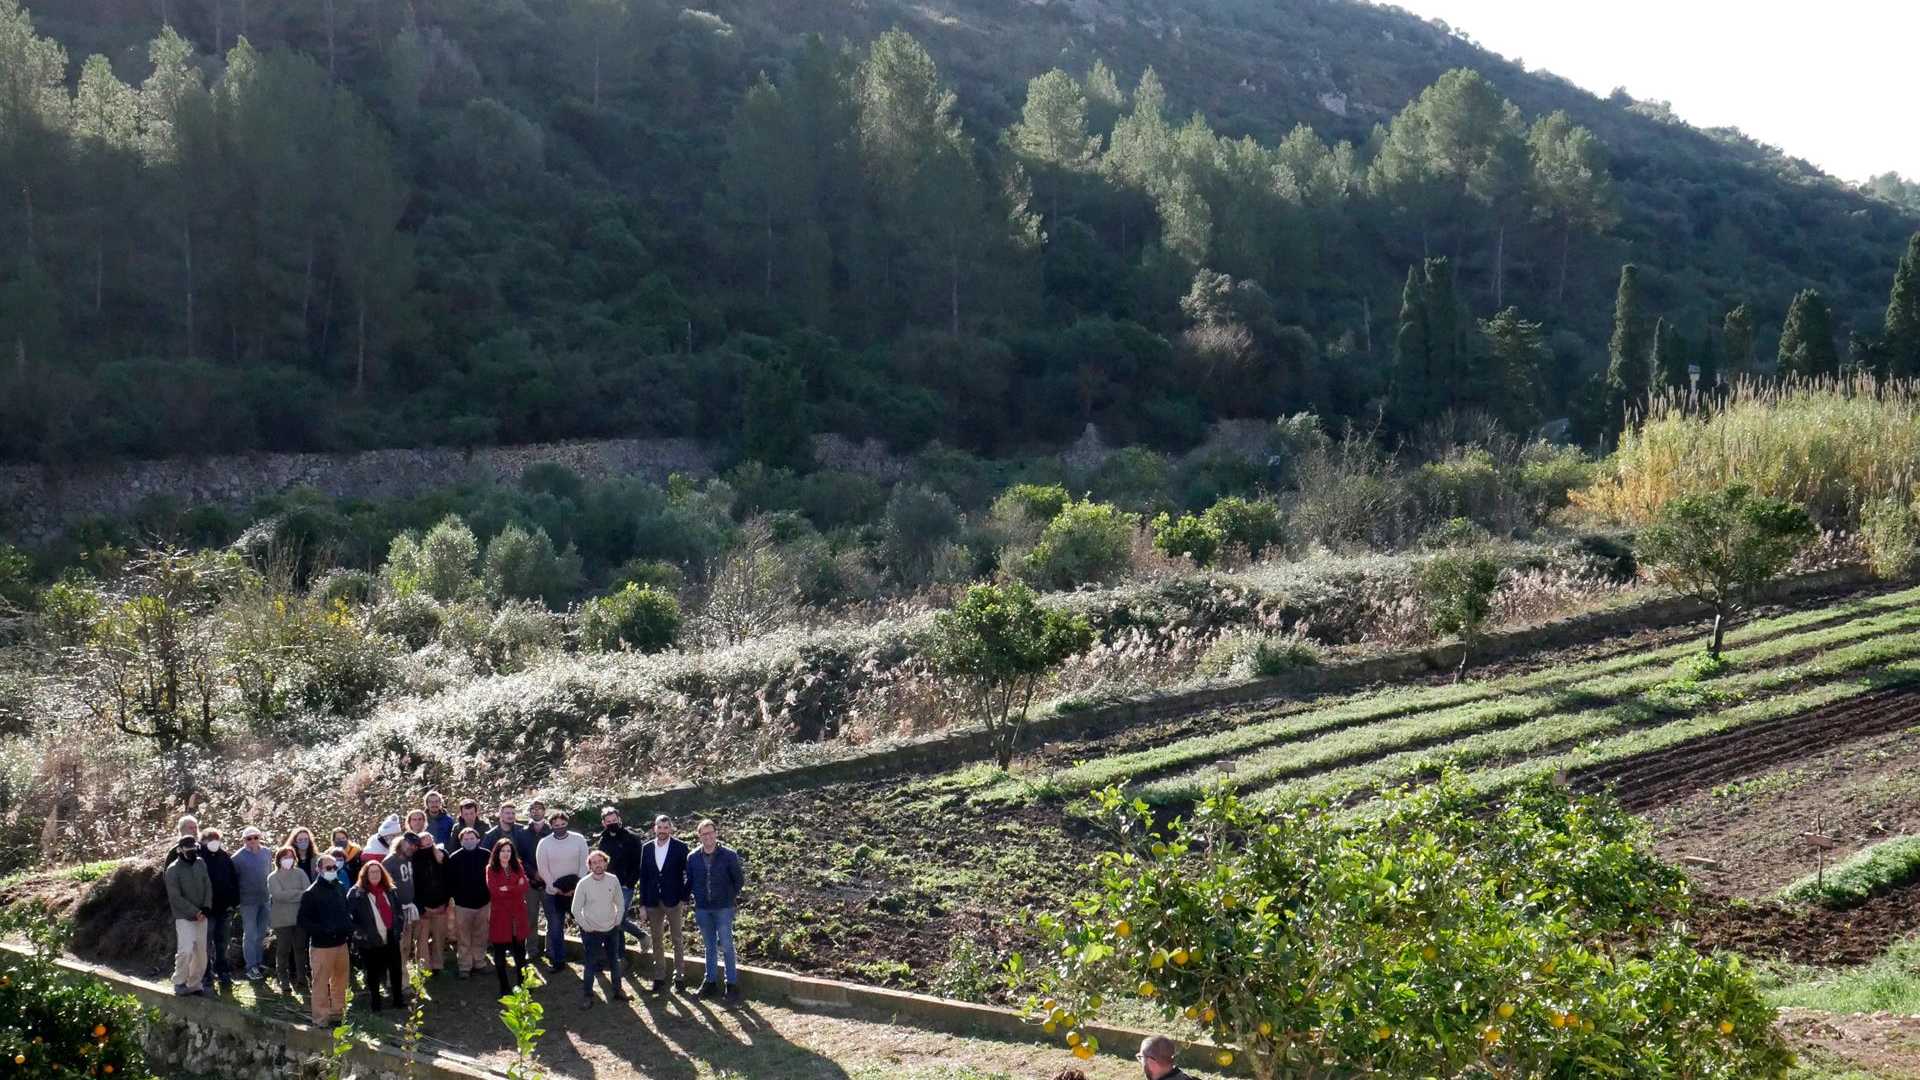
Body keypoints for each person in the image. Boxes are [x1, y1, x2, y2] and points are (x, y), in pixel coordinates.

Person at [684, 818, 744, 1002]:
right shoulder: (693, 857)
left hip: (723, 908)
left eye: (711, 832)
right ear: (699, 837)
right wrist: (688, 898)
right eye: (704, 834)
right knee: (709, 946)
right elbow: (690, 881)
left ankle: (731, 984)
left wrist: (728, 897)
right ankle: (710, 982)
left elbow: (738, 880)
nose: (708, 836)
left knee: (726, 945)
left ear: (716, 834)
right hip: (703, 908)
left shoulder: (729, 855)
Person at [299, 852, 355, 1027]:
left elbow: (346, 911)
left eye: (334, 867)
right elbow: (303, 921)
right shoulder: (311, 893)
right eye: (328, 868)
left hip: (341, 943)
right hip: (322, 946)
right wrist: (324, 930)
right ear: (319, 870)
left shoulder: (339, 887)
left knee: (340, 980)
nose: (332, 870)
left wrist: (349, 928)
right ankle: (321, 1019)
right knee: (321, 984)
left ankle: (338, 1014)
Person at [347, 859, 409, 1012]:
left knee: (395, 969)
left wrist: (398, 928)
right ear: (365, 874)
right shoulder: (356, 893)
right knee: (373, 973)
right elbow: (349, 918)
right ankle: (376, 1002)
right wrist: (361, 935)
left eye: (378, 871)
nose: (375, 874)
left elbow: (398, 912)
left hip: (391, 936)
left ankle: (398, 999)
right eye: (371, 872)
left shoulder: (390, 890)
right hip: (370, 940)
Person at [638, 813, 690, 994]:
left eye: (666, 828)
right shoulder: (646, 848)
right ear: (654, 828)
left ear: (671, 829)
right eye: (659, 828)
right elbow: (643, 877)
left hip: (673, 900)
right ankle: (659, 976)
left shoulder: (681, 847)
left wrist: (684, 897)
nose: (662, 831)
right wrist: (642, 904)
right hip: (653, 901)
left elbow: (688, 874)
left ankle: (680, 977)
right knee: (657, 939)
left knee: (677, 939)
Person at [483, 802, 540, 952]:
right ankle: (501, 946)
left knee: (523, 915)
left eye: (513, 813)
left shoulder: (521, 831)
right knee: (501, 915)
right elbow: (486, 857)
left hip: (520, 877)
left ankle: (524, 947)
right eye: (507, 813)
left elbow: (527, 853)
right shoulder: (491, 835)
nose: (511, 816)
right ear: (500, 815)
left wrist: (528, 874)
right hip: (499, 879)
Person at [573, 850, 627, 1008]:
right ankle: (587, 995)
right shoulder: (583, 884)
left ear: (605, 862)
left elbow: (620, 902)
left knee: (614, 961)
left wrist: (618, 920)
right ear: (589, 866)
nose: (598, 865)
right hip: (592, 931)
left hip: (611, 929)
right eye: (594, 862)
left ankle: (618, 990)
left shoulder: (613, 880)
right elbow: (576, 909)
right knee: (590, 963)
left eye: (600, 861)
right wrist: (586, 926)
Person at [164, 836, 213, 996]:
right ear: (180, 850)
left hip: (202, 915)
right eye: (188, 849)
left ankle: (194, 983)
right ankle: (179, 982)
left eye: (193, 849)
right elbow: (175, 897)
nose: (191, 852)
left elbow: (208, 885)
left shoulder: (201, 863)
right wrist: (195, 911)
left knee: (201, 953)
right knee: (185, 950)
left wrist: (206, 907)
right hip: (184, 916)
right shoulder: (173, 870)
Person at [485, 838, 531, 997]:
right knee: (499, 955)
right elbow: (495, 892)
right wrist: (515, 887)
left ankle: (522, 984)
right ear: (497, 853)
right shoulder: (491, 869)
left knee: (520, 954)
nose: (506, 854)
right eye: (503, 851)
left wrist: (508, 888)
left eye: (508, 851)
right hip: (501, 917)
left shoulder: (517, 866)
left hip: (517, 916)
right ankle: (504, 987)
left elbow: (524, 886)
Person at [594, 806, 645, 949]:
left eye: (614, 820)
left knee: (618, 919)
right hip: (607, 886)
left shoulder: (632, 838)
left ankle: (640, 935)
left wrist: (629, 883)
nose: (612, 823)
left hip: (625, 886)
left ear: (619, 819)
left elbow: (637, 863)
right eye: (608, 821)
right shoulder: (603, 840)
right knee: (613, 921)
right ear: (604, 823)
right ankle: (619, 956)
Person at [446, 826, 493, 979]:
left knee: (481, 935)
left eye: (472, 838)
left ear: (478, 840)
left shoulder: (486, 855)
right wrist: (455, 898)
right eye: (466, 839)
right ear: (461, 841)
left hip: (483, 903)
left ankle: (479, 962)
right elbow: (450, 881)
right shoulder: (454, 857)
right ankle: (465, 966)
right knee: (463, 937)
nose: (469, 841)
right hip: (463, 905)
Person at [198, 826, 240, 992]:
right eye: (211, 839)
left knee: (222, 943)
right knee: (206, 944)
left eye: (217, 839)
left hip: (224, 908)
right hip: (207, 909)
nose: (214, 843)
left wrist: (234, 902)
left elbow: (233, 880)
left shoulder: (225, 857)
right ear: (204, 841)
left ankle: (223, 971)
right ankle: (206, 974)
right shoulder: (199, 858)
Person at [231, 826, 274, 982]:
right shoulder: (237, 858)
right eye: (249, 838)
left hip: (265, 899)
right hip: (248, 902)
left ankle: (258, 962)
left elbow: (270, 873)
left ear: (260, 837)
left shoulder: (267, 852)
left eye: (255, 837)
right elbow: (233, 882)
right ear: (244, 840)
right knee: (250, 934)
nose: (253, 841)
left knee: (262, 933)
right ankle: (250, 967)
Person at [267, 844, 310, 993]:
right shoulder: (273, 877)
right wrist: (297, 894)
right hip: (281, 920)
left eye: (290, 857)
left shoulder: (300, 873)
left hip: (299, 918)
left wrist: (291, 894)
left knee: (300, 949)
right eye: (285, 857)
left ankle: (302, 979)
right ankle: (283, 979)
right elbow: (278, 895)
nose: (288, 860)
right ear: (278, 860)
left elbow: (307, 892)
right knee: (283, 950)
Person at [411, 827, 452, 974]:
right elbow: (413, 885)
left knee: (439, 937)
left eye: (430, 843)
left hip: (441, 905)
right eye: (424, 845)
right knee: (421, 939)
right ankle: (424, 967)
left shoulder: (442, 855)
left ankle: (438, 965)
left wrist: (445, 903)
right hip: (423, 908)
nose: (428, 847)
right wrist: (421, 907)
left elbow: (449, 879)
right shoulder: (414, 859)